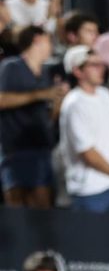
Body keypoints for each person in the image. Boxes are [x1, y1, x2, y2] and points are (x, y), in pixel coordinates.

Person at [58, 46, 109, 214]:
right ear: (78, 71)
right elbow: (88, 153)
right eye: (93, 65)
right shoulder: (74, 104)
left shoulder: (106, 96)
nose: (101, 69)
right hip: (88, 191)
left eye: (101, 64)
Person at [0, 26, 66, 208]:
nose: (51, 45)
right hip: (15, 150)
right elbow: (2, 100)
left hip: (42, 149)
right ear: (37, 40)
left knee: (42, 210)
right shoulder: (11, 66)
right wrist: (40, 95)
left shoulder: (46, 72)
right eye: (48, 40)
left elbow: (48, 117)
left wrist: (58, 103)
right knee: (16, 210)